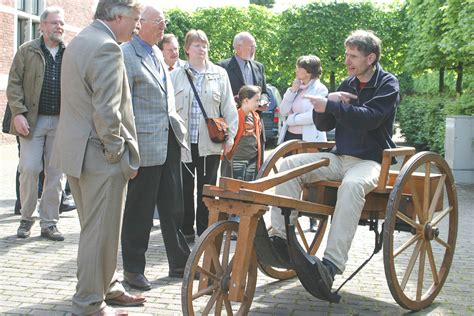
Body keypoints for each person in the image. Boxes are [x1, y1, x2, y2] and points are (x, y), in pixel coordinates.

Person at [269, 30, 400, 294]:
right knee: (288, 166)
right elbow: (327, 123)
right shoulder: (347, 83)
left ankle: (330, 265)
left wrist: (331, 104)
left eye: (353, 56)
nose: (347, 61)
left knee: (351, 187)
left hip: (371, 161)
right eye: (346, 54)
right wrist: (324, 109)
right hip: (339, 156)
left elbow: (370, 118)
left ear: (371, 58)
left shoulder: (388, 83)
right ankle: (281, 240)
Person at [50, 0, 145, 314]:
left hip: (77, 152)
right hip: (99, 155)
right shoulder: (107, 47)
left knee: (98, 229)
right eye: (136, 18)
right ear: (117, 16)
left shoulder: (81, 40)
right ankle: (89, 303)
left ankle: (109, 286)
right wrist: (116, 150)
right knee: (98, 232)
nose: (138, 25)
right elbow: (107, 109)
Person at [120, 5, 191, 291]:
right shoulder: (126, 55)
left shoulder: (156, 54)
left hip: (168, 142)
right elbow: (121, 107)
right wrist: (128, 149)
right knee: (140, 211)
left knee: (173, 207)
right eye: (159, 23)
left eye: (164, 24)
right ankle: (133, 270)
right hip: (144, 146)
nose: (163, 28)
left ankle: (178, 262)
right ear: (141, 24)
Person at [171, 29, 238, 243]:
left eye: (204, 45)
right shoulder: (175, 75)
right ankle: (185, 230)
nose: (202, 49)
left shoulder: (219, 74)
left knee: (207, 190)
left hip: (209, 143)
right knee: (183, 190)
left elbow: (229, 109)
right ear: (187, 49)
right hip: (183, 144)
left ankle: (204, 230)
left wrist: (230, 139)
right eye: (197, 45)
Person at [7, 6, 67, 241]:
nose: (59, 27)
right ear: (42, 26)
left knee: (56, 173)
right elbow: (14, 85)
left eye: (61, 23)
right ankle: (26, 217)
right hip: (32, 120)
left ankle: (49, 222)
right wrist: (18, 113)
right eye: (54, 23)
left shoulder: (69, 53)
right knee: (30, 168)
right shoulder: (26, 51)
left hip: (61, 122)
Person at [277, 55, 328, 145]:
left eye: (299, 68)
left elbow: (312, 116)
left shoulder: (320, 89)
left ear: (309, 72)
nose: (296, 71)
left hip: (309, 139)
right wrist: (292, 91)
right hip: (289, 137)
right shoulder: (296, 87)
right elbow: (283, 111)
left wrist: (291, 119)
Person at [221, 85, 264, 182]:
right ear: (245, 100)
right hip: (237, 158)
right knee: (236, 186)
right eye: (256, 100)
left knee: (248, 186)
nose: (258, 103)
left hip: (252, 158)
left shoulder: (255, 116)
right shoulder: (235, 116)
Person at [218, 32, 269, 110]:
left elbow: (264, 92)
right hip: (233, 117)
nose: (254, 50)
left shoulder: (259, 67)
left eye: (254, 47)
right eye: (251, 47)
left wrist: (263, 101)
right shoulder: (223, 67)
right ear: (238, 48)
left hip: (256, 118)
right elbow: (219, 95)